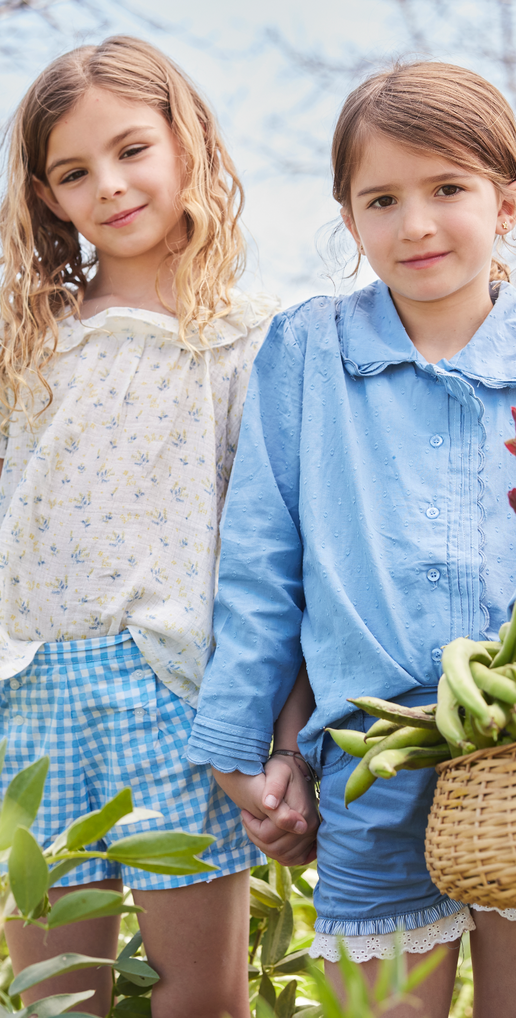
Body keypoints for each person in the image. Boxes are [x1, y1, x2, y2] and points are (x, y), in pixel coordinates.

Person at [0, 36, 284, 1018]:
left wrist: (274, 723)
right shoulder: (26, 339)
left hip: (178, 694)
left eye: (132, 149)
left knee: (200, 998)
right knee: (55, 995)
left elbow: (274, 552)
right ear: (48, 198)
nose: (110, 184)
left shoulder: (248, 337)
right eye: (74, 172)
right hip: (33, 690)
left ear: (187, 144)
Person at [187, 61, 516, 1018]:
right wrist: (244, 750)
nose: (415, 224)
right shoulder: (310, 351)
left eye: (447, 188)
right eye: (382, 199)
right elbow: (261, 565)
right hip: (369, 752)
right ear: (348, 217)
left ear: (505, 201)